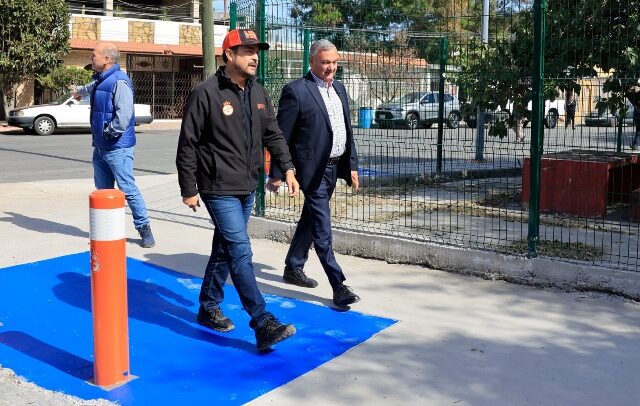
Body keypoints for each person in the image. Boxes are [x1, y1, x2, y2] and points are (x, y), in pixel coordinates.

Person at [176, 29, 300, 351]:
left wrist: (287, 168)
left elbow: (273, 134)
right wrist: (188, 187)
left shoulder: (258, 92)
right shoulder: (206, 93)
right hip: (218, 188)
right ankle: (262, 321)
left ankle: (208, 306)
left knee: (225, 248)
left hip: (247, 186)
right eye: (247, 51)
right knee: (241, 250)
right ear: (229, 55)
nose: (255, 57)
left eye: (256, 51)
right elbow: (188, 143)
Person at [267, 39, 361, 308]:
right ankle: (338, 285)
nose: (331, 67)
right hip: (312, 171)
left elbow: (346, 130)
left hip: (335, 167)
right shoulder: (296, 91)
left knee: (311, 217)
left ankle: (293, 266)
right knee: (322, 227)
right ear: (311, 62)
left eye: (335, 62)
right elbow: (281, 136)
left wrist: (352, 165)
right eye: (325, 62)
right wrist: (278, 172)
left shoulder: (339, 89)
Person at [73, 42, 155, 248]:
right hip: (100, 147)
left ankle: (144, 229)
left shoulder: (120, 81)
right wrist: (78, 92)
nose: (92, 58)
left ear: (107, 59)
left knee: (128, 189)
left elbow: (124, 115)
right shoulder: (101, 79)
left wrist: (109, 132)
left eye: (94, 55)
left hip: (118, 147)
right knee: (103, 192)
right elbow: (89, 88)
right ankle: (107, 231)